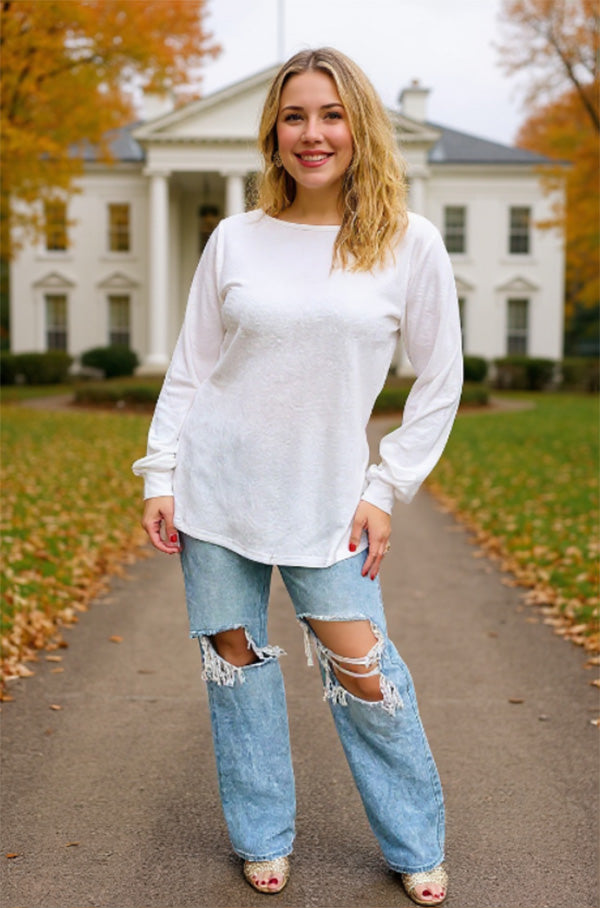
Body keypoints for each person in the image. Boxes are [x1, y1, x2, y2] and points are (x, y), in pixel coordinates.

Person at [133, 47, 462, 907]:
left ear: (360, 127)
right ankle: (262, 837)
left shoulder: (407, 242)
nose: (312, 134)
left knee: (365, 673)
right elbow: (191, 369)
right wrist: (160, 472)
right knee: (235, 668)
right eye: (294, 117)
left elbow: (440, 380)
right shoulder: (235, 238)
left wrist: (385, 486)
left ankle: (416, 844)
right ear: (273, 132)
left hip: (328, 501)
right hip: (216, 489)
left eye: (330, 115)